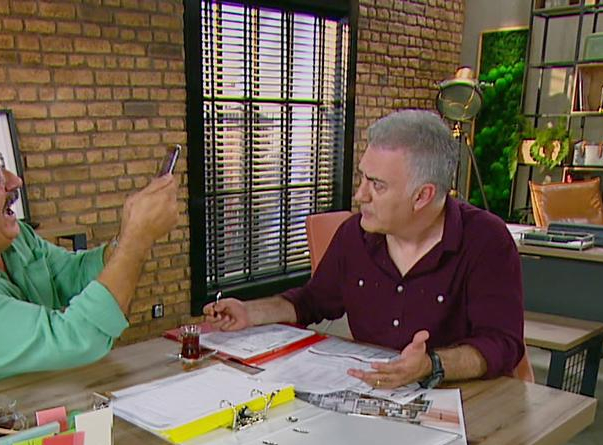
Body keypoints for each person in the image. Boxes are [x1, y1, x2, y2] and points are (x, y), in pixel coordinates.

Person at [204, 109, 524, 390]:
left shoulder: (486, 240)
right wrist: (250, 312)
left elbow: (502, 343)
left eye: (377, 185)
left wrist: (432, 364)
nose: (360, 195)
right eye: (362, 178)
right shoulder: (354, 235)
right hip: (373, 394)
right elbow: (312, 301)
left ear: (422, 196)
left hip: (464, 401)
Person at [0, 122, 178, 397]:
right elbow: (78, 339)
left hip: (45, 400)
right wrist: (136, 241)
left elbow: (73, 275)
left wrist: (127, 235)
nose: (15, 181)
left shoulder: (10, 240)